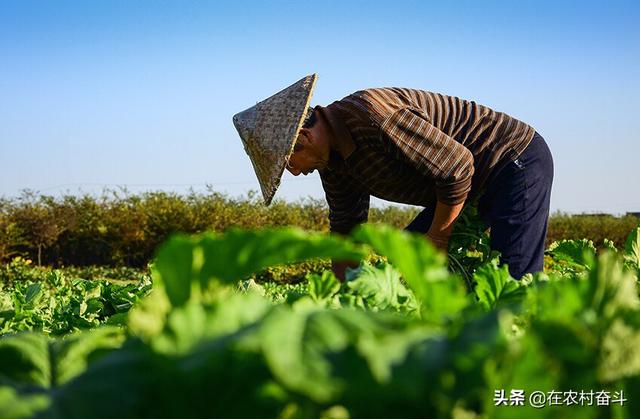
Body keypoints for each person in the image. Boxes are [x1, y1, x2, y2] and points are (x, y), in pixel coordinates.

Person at [233, 74, 554, 281]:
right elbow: (346, 230)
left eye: (289, 162)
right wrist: (349, 294)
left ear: (304, 137)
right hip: (466, 185)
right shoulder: (332, 165)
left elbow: (457, 168)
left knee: (515, 281)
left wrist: (438, 239)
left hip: (511, 160)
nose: (294, 171)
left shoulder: (373, 115)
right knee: (406, 263)